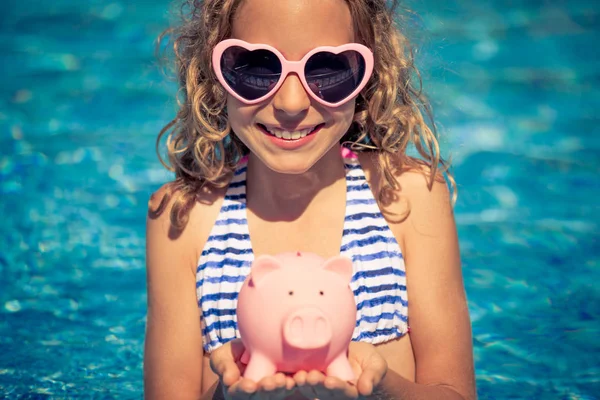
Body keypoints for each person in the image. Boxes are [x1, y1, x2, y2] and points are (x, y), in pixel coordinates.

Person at [144, 0, 476, 399]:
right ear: (215, 74)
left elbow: (455, 393)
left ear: (368, 76)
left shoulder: (406, 199)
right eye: (256, 67)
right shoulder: (185, 218)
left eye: (327, 70)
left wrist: (383, 391)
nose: (291, 104)